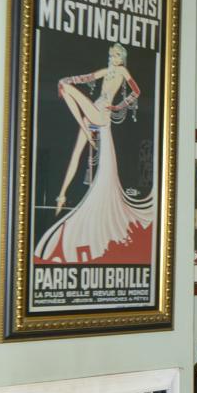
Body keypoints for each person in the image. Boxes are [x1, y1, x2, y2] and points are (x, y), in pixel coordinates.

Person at [37, 44, 154, 264]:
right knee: (75, 155)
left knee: (63, 84)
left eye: (118, 54)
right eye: (112, 54)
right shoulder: (104, 71)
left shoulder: (122, 71)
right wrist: (77, 79)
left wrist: (119, 106)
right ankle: (61, 195)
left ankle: (84, 130)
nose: (114, 57)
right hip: (92, 115)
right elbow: (82, 78)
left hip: (101, 114)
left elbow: (136, 91)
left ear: (123, 57)